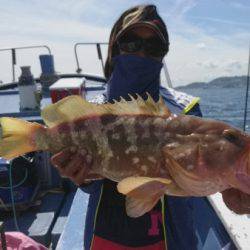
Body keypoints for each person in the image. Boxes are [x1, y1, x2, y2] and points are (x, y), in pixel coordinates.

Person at [51, 4, 250, 250]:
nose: (142, 54)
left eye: (154, 46)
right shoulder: (91, 114)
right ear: (114, 48)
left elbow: (209, 171)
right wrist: (81, 178)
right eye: (132, 43)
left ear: (163, 54)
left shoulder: (185, 110)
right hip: (104, 236)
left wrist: (235, 191)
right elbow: (88, 178)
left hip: (172, 240)